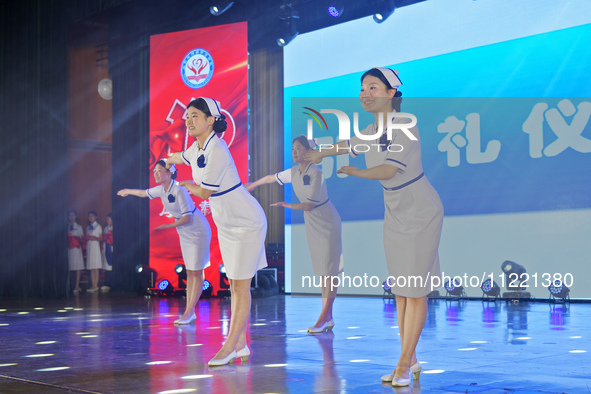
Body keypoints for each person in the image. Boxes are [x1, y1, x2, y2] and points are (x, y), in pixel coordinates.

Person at [305, 67, 443, 387]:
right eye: (362, 88)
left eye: (373, 87)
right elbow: (347, 144)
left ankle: (403, 365)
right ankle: (410, 358)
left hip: (421, 212)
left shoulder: (405, 126)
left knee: (415, 291)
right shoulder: (370, 129)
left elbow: (388, 171)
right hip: (394, 213)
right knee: (400, 291)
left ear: (392, 93)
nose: (365, 93)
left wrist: (354, 172)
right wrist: (319, 152)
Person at [166, 97, 267, 366]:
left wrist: (186, 184)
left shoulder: (218, 149)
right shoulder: (197, 147)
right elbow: (181, 156)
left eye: (195, 115)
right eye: (187, 115)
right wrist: (166, 159)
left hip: (246, 221)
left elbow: (205, 191)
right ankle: (241, 344)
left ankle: (230, 345)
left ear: (211, 120)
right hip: (226, 223)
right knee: (234, 283)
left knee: (241, 285)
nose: (188, 120)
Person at [246, 135, 343, 333]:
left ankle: (323, 318)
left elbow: (309, 205)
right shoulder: (293, 172)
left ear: (309, 152)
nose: (294, 151)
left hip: (327, 221)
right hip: (313, 222)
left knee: (329, 272)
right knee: (323, 272)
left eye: (298, 148)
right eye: (293, 148)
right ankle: (328, 317)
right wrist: (253, 185)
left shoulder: (316, 173)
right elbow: (271, 178)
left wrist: (285, 204)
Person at [117, 159, 212, 324]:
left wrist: (168, 225)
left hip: (197, 230)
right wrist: (127, 191)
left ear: (169, 173)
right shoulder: (161, 189)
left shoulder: (179, 190)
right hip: (185, 232)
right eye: (154, 171)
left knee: (197, 271)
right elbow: (144, 193)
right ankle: (190, 311)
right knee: (190, 271)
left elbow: (187, 217)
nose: (155, 173)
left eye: (159, 170)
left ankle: (189, 312)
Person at [68, 210, 85, 293]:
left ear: (76, 216)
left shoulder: (79, 227)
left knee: (77, 267)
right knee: (70, 267)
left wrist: (74, 238)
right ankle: (69, 285)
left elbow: (81, 238)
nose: (71, 217)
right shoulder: (67, 226)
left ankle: (77, 286)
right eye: (70, 215)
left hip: (76, 249)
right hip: (69, 249)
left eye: (73, 215)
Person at [85, 211, 103, 292]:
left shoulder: (98, 226)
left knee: (95, 267)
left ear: (96, 217)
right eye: (89, 216)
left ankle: (96, 285)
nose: (90, 218)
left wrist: (94, 238)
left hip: (95, 247)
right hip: (89, 247)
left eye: (92, 216)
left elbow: (101, 238)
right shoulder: (88, 227)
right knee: (92, 267)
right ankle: (93, 285)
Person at [100, 213, 114, 292]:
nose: (107, 221)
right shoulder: (105, 228)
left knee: (110, 266)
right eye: (106, 219)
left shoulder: (114, 228)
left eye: (108, 219)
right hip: (106, 248)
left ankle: (110, 283)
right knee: (106, 267)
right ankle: (106, 283)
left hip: (111, 248)